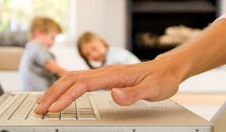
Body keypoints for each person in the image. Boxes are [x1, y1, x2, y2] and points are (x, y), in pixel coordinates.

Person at [34, 15, 226, 115]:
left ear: (102, 42)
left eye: (94, 48)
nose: (93, 54)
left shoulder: (115, 56)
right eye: (88, 54)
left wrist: (168, 67)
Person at [19, 17, 67, 91]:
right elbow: (56, 69)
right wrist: (73, 77)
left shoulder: (31, 48)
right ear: (38, 33)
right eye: (52, 37)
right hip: (37, 94)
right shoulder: (35, 47)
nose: (53, 43)